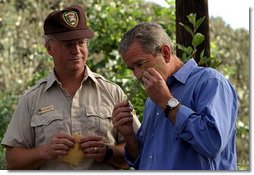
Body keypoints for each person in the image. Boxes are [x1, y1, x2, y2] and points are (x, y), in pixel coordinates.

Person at [1, 5, 140, 170]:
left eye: (81, 42)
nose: (76, 50)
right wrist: (45, 152)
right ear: (49, 48)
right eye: (67, 44)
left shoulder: (113, 93)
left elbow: (137, 152)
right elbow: (12, 161)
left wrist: (107, 152)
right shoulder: (32, 99)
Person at [112, 22, 238, 170]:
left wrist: (167, 103)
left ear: (165, 52)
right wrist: (129, 135)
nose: (138, 75)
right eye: (132, 68)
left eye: (141, 64)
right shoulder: (152, 100)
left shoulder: (210, 81)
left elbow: (212, 143)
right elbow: (144, 161)